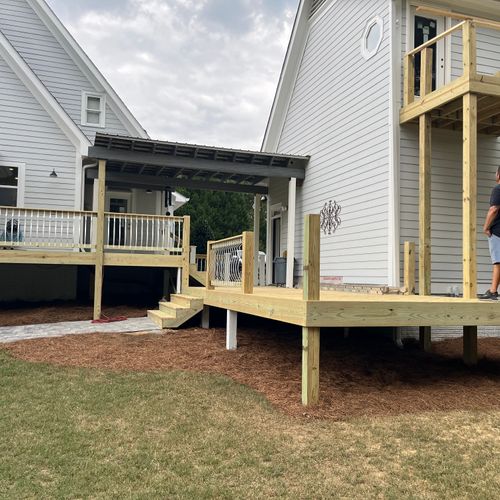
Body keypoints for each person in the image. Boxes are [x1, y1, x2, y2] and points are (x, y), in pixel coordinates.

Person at [481, 166, 500, 299]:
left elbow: (493, 209)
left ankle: (493, 291)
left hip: (498, 232)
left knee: (497, 262)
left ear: (498, 174)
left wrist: (486, 227)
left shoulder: (497, 189)